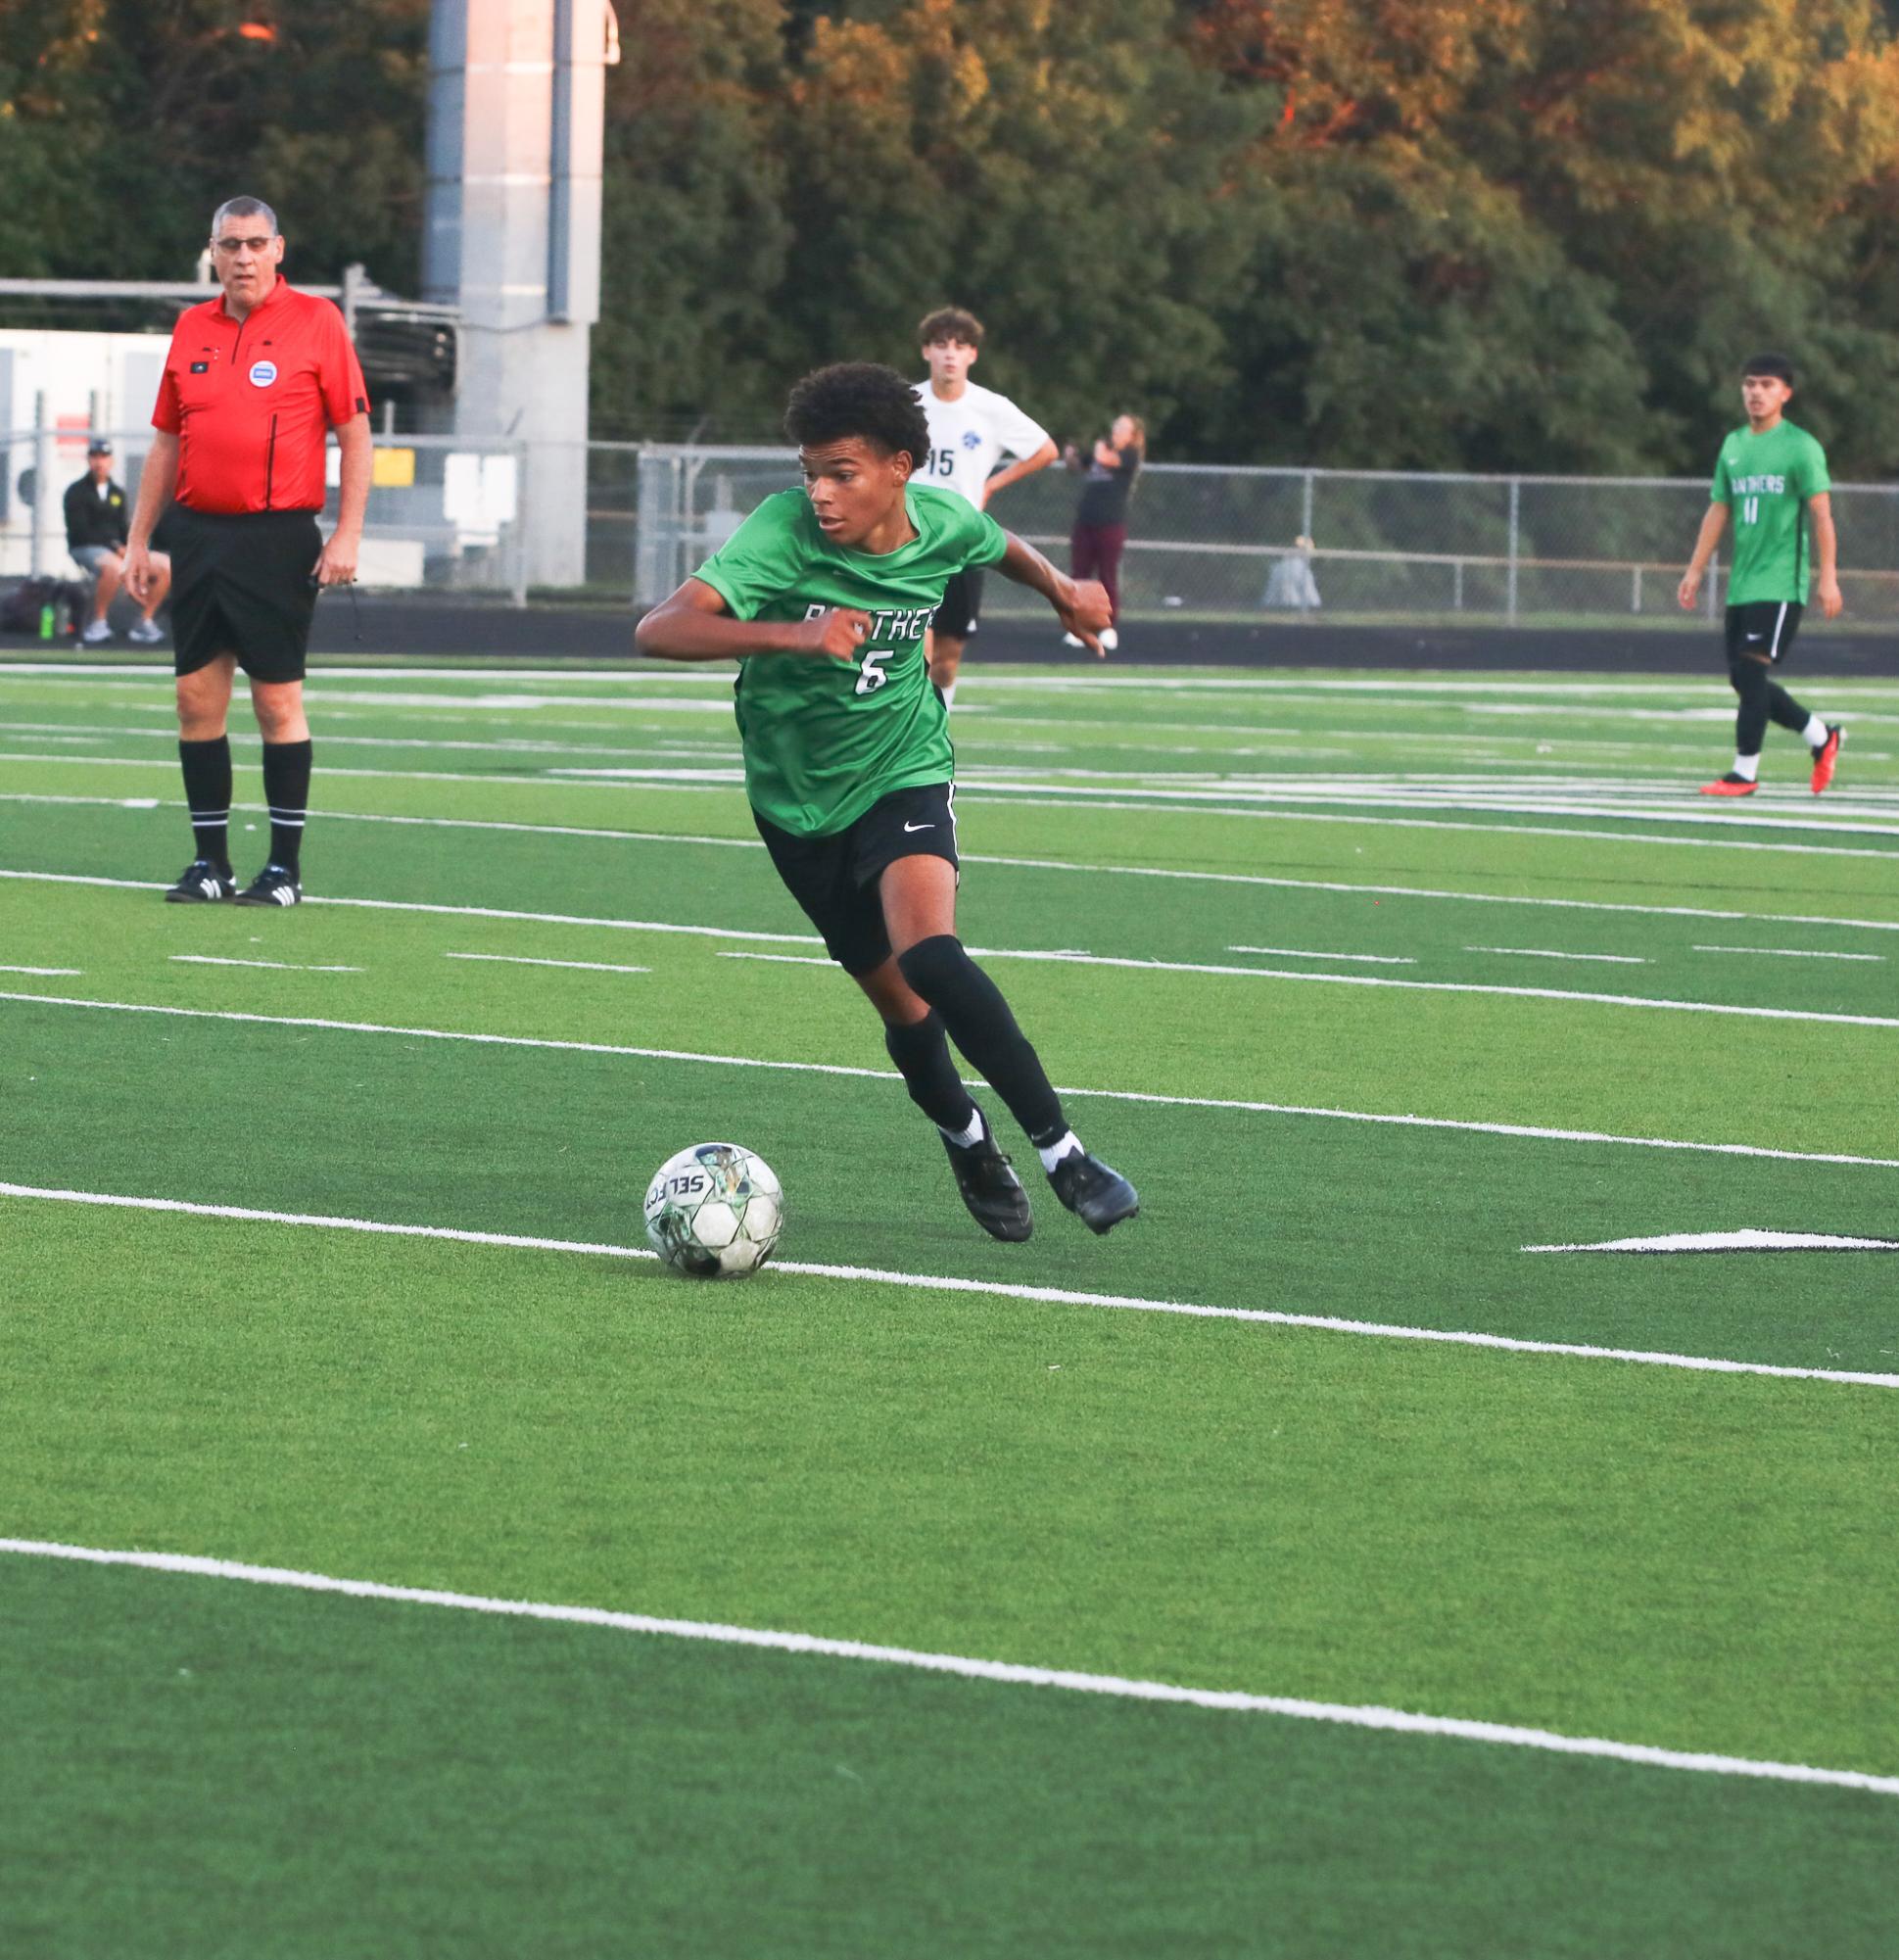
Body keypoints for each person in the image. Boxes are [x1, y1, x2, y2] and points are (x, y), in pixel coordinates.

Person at [635, 361, 1139, 1240]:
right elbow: (660, 628)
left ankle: (1067, 1155)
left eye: (842, 473)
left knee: (932, 958)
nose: (820, 494)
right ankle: (966, 1139)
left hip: (903, 765)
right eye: (811, 474)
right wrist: (795, 633)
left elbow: (992, 541)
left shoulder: (940, 516)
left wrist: (1064, 593)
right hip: (796, 805)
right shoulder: (783, 532)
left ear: (901, 466)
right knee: (902, 1009)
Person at [122, 196, 371, 905]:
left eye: (255, 243)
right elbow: (167, 441)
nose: (242, 257)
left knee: (275, 703)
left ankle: (284, 870)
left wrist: (348, 533)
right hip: (198, 536)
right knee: (194, 699)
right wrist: (141, 539)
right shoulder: (190, 327)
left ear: (279, 249)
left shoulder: (317, 322)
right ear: (212, 252)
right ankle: (210, 864)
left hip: (277, 536)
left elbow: (354, 435)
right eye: (229, 245)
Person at [1678, 353, 1844, 796]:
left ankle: (1744, 772)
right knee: (1742, 679)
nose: (1756, 392)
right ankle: (1821, 736)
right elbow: (1719, 509)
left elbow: (1822, 515)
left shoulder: (1801, 447)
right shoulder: (1733, 445)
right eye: (1750, 383)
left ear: (1785, 393)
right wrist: (1695, 568)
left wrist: (1828, 575)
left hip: (1781, 584)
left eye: (1767, 385)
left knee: (1751, 675)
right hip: (1743, 583)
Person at [912, 306, 1057, 705]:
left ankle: (936, 729)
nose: (950, 354)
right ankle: (906, 740)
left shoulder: (990, 408)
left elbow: (1045, 450)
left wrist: (993, 484)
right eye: (940, 345)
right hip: (910, 540)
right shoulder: (907, 404)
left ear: (973, 355)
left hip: (963, 542)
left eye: (960, 346)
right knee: (913, 652)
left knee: (946, 661)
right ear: (926, 352)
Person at [64, 438, 169, 645]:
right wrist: (117, 548)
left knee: (165, 566)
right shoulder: (76, 492)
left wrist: (133, 550)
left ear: (111, 460)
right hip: (86, 547)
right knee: (112, 567)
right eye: (94, 457)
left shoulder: (117, 493)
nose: (99, 462)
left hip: (119, 549)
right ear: (88, 460)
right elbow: (81, 530)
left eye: (103, 457)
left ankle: (144, 622)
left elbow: (123, 528)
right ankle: (98, 623)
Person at [1061, 414, 1144, 652]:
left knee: (1107, 576)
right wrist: (1070, 457)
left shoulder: (1129, 455)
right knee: (1079, 575)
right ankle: (1078, 627)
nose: (1115, 431)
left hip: (1110, 524)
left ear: (1132, 435)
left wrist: (1098, 447)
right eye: (1115, 426)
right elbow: (1077, 467)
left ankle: (1107, 627)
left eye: (1121, 428)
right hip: (1086, 521)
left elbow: (1103, 458)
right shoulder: (1102, 451)